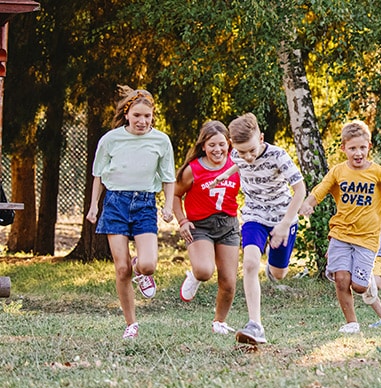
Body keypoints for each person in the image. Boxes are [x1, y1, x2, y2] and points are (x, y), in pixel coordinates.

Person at [299, 120, 381, 334]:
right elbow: (320, 190)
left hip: (367, 239)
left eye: (362, 147)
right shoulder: (337, 172)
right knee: (341, 279)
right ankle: (352, 323)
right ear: (343, 148)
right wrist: (307, 203)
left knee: (359, 286)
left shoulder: (379, 173)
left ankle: (371, 278)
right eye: (352, 148)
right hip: (341, 234)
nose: (358, 153)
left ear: (369, 147)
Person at [86, 86, 175, 340]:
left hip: (145, 203)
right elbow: (99, 175)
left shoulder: (161, 140)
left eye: (147, 116)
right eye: (137, 116)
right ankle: (131, 324)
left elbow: (168, 177)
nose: (142, 121)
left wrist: (168, 206)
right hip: (115, 203)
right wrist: (94, 205)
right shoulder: (111, 139)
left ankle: (141, 271)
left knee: (148, 264)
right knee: (121, 268)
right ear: (127, 114)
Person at [225, 113, 306, 345]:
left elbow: (300, 189)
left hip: (283, 217)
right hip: (254, 215)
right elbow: (237, 165)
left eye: (252, 150)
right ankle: (255, 325)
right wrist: (222, 175)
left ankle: (273, 266)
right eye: (242, 152)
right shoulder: (237, 154)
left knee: (278, 274)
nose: (248, 157)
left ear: (261, 138)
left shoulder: (279, 156)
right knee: (250, 263)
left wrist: (284, 224)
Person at [172, 120, 241, 335]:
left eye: (221, 144)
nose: (217, 149)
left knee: (228, 282)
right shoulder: (193, 170)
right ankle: (193, 276)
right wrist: (182, 221)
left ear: (229, 144)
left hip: (228, 225)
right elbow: (175, 195)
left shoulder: (237, 164)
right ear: (203, 146)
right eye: (212, 145)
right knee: (204, 272)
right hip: (200, 226)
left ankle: (219, 322)